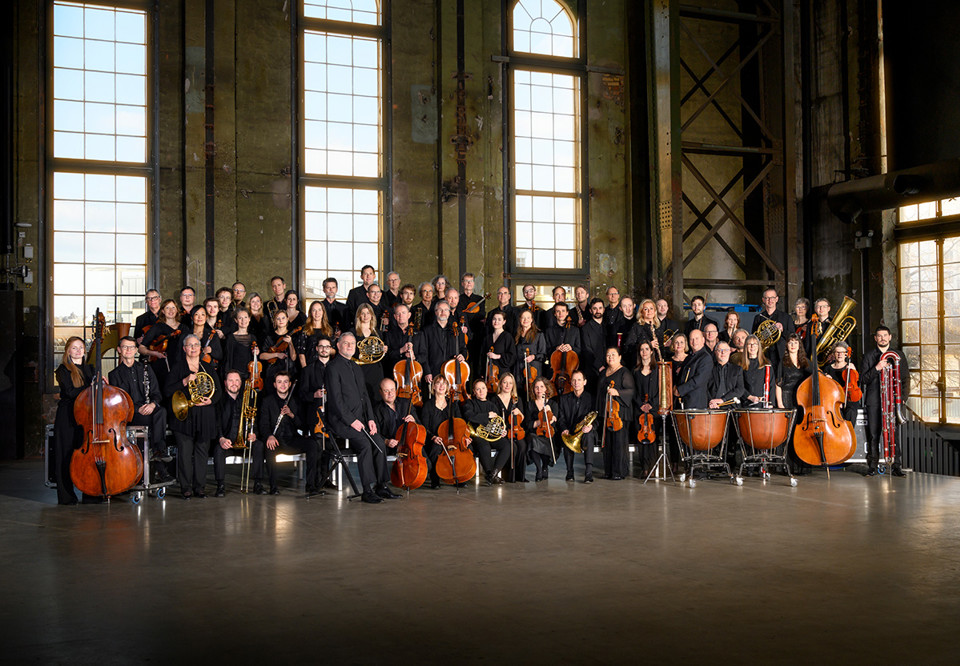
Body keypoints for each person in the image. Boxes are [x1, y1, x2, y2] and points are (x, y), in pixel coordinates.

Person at [325, 332, 400, 503]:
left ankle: (381, 486)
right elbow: (336, 401)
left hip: (361, 421)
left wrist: (371, 419)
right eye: (346, 343)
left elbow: (365, 397)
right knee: (366, 445)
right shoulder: (332, 367)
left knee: (380, 443)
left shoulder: (356, 367)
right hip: (342, 422)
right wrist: (351, 421)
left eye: (352, 343)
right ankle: (367, 490)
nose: (350, 346)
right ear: (338, 345)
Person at [165, 334, 223, 499]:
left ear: (200, 348)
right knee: (184, 453)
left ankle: (200, 487)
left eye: (196, 345)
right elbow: (167, 391)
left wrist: (210, 400)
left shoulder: (208, 368)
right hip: (184, 417)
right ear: (184, 349)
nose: (193, 348)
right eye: (189, 345)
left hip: (205, 416)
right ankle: (186, 488)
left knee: (201, 453)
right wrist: (184, 381)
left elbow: (218, 391)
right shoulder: (177, 368)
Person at [108, 336, 170, 482]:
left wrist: (153, 404)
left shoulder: (146, 369)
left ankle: (158, 451)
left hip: (149, 410)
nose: (128, 350)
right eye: (124, 347)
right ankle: (159, 468)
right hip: (131, 414)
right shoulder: (114, 375)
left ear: (136, 350)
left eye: (131, 347)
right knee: (155, 420)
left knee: (161, 411)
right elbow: (119, 401)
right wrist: (138, 409)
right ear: (119, 350)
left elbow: (156, 393)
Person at [256, 371, 320, 495]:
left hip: (291, 439)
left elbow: (302, 424)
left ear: (290, 384)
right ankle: (273, 487)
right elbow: (263, 424)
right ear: (275, 385)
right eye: (279, 382)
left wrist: (291, 414)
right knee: (269, 448)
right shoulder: (267, 401)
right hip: (276, 439)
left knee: (312, 444)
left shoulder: (295, 401)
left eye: (285, 382)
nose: (283, 385)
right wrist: (269, 436)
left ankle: (311, 485)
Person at [860, 325, 909, 477]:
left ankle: (896, 466)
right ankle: (872, 466)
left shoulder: (898, 355)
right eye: (879, 336)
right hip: (874, 400)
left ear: (890, 337)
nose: (882, 338)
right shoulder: (868, 356)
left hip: (893, 401)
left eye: (885, 335)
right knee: (874, 435)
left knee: (894, 434)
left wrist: (901, 400)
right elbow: (863, 379)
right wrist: (877, 368)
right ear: (875, 338)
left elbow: (905, 379)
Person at [53, 336, 95, 505]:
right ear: (68, 351)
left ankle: (90, 493)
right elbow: (70, 392)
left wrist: (101, 384)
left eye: (81, 347)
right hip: (68, 417)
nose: (78, 351)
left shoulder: (90, 369)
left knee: (86, 456)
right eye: (74, 348)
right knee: (65, 455)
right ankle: (66, 496)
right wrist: (92, 386)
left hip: (86, 416)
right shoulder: (62, 370)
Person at [299, 336, 336, 488]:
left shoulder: (336, 369)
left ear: (330, 349)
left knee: (328, 448)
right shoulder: (308, 370)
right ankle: (312, 482)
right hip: (314, 416)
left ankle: (324, 478)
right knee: (316, 449)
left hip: (332, 415)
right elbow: (301, 394)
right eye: (321, 346)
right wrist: (314, 395)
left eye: (327, 347)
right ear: (316, 349)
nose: (324, 349)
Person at [420, 375, 470, 488]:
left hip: (453, 439)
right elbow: (424, 426)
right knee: (435, 449)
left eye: (444, 384)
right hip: (435, 439)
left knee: (464, 449)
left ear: (447, 387)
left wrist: (465, 437)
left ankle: (460, 476)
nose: (441, 386)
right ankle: (435, 478)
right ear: (433, 386)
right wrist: (433, 437)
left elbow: (461, 424)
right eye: (438, 383)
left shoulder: (453, 404)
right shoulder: (428, 405)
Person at [463, 378, 511, 484]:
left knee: (506, 445)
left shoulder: (492, 405)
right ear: (474, 392)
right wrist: (487, 415)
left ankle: (493, 473)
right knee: (484, 445)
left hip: (491, 435)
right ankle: (489, 473)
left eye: (483, 388)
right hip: (477, 435)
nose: (481, 391)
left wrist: (501, 431)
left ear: (486, 390)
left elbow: (497, 423)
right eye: (478, 389)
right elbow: (469, 416)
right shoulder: (470, 403)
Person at [598, 347, 634, 480]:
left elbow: (631, 391)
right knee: (608, 444)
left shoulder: (624, 372)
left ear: (619, 357)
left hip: (620, 414)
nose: (610, 357)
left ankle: (619, 472)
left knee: (619, 443)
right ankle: (608, 471)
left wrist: (617, 392)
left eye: (613, 354)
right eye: (608, 355)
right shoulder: (603, 373)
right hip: (607, 413)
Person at [213, 370, 249, 496]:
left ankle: (258, 484)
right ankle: (221, 485)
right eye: (231, 380)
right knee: (218, 450)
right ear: (225, 383)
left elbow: (254, 420)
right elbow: (216, 422)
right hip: (226, 442)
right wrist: (221, 438)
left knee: (259, 446)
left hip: (244, 442)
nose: (234, 383)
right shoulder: (219, 401)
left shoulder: (247, 399)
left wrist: (253, 433)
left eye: (237, 380)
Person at [556, 370, 596, 482]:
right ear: (571, 383)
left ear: (585, 382)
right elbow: (561, 418)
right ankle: (569, 472)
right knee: (567, 438)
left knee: (589, 436)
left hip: (585, 431)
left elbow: (597, 417)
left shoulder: (591, 398)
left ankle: (588, 473)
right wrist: (564, 429)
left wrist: (591, 426)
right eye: (574, 380)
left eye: (579, 380)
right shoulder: (564, 399)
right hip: (570, 430)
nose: (576, 382)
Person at [422, 301, 468, 389]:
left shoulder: (457, 330)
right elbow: (424, 353)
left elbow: (463, 349)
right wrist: (427, 372)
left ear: (449, 312)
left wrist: (463, 356)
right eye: (440, 310)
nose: (443, 313)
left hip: (452, 372)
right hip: (434, 372)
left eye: (446, 310)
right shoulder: (427, 330)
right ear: (436, 312)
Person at [138, 298, 183, 389]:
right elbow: (141, 348)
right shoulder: (156, 328)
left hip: (179, 366)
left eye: (173, 308)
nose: (171, 310)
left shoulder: (184, 328)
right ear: (162, 311)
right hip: (161, 367)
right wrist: (154, 353)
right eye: (167, 308)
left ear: (177, 310)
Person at [493, 373, 527, 482]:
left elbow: (522, 418)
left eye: (510, 383)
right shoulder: (494, 399)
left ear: (513, 385)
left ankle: (520, 476)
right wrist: (500, 431)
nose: (507, 385)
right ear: (500, 384)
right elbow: (493, 420)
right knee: (513, 447)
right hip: (501, 432)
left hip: (515, 430)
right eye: (505, 382)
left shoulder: (517, 400)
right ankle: (509, 476)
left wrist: (520, 413)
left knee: (522, 446)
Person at [542, 302, 581, 393]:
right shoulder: (549, 331)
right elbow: (546, 350)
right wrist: (555, 349)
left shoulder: (575, 330)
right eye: (558, 311)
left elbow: (579, 350)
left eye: (563, 311)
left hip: (569, 371)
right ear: (555, 314)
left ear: (567, 313)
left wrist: (571, 348)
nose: (561, 314)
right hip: (554, 373)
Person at [633, 341, 659, 475]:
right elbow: (634, 392)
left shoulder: (657, 370)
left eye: (647, 349)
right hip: (639, 409)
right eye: (642, 349)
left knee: (653, 438)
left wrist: (651, 405)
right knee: (641, 439)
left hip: (653, 409)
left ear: (651, 351)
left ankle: (653, 466)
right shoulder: (636, 371)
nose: (644, 352)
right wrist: (641, 405)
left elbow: (661, 390)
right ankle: (644, 467)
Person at [753, 287, 795, 369]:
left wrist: (782, 330)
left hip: (781, 355)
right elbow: (755, 337)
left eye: (772, 297)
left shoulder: (786, 317)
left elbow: (793, 337)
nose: (770, 300)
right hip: (764, 354)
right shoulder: (758, 318)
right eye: (767, 298)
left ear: (776, 299)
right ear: (763, 300)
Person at [526, 376, 558, 481]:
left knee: (547, 438)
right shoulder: (530, 405)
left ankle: (545, 466)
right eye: (536, 387)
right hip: (535, 433)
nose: (539, 389)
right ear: (533, 390)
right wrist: (540, 420)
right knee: (533, 439)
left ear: (546, 389)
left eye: (541, 387)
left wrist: (550, 414)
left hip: (549, 433)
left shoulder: (553, 404)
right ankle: (539, 469)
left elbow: (554, 422)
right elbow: (528, 424)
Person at [353, 302, 387, 400]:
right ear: (359, 315)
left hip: (375, 370)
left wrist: (383, 350)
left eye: (368, 313)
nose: (365, 316)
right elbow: (353, 352)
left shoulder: (377, 332)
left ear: (372, 315)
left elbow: (379, 351)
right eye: (363, 313)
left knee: (376, 397)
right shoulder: (353, 332)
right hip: (361, 369)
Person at [675, 329, 713, 409]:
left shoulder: (706, 358)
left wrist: (680, 390)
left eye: (696, 338)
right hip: (685, 402)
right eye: (691, 339)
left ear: (703, 340)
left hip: (696, 404)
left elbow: (698, 380)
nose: (694, 341)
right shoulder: (689, 357)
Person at [823, 341, 861, 421]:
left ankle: (849, 432)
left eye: (842, 352)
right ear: (833, 354)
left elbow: (857, 383)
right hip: (833, 400)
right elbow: (826, 390)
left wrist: (854, 371)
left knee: (850, 412)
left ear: (846, 354)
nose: (840, 354)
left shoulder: (850, 367)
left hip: (849, 398)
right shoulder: (827, 369)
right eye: (837, 352)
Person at [515, 309, 546, 399]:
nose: (525, 320)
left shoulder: (539, 334)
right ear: (520, 319)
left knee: (533, 394)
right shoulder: (517, 335)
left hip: (533, 370)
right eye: (523, 318)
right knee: (520, 394)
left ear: (532, 320)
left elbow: (543, 355)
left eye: (528, 317)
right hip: (518, 369)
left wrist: (534, 356)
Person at [579, 298, 608, 392]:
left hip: (609, 368)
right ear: (590, 310)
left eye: (600, 308)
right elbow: (587, 350)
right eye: (595, 308)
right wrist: (599, 366)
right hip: (593, 370)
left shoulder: (608, 326)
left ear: (604, 309)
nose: (598, 311)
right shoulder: (585, 328)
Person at [483, 311, 516, 391]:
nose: (496, 321)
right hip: (488, 374)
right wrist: (482, 373)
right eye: (494, 319)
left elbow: (512, 356)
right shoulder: (487, 338)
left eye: (499, 319)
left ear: (504, 322)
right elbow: (481, 356)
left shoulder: (507, 337)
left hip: (502, 373)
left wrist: (497, 356)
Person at [222, 308, 257, 381]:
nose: (243, 320)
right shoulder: (230, 338)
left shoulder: (253, 338)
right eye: (240, 318)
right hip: (235, 376)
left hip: (250, 375)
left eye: (245, 317)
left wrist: (256, 353)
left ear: (249, 319)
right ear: (236, 320)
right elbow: (228, 359)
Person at [738, 334, 773, 407]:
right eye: (749, 344)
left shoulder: (766, 363)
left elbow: (771, 384)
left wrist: (770, 403)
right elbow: (739, 385)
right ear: (746, 347)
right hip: (746, 403)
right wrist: (749, 397)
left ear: (758, 346)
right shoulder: (741, 365)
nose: (752, 346)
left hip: (763, 404)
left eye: (755, 344)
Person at [708, 341, 744, 409]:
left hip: (732, 407)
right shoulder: (709, 369)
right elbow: (704, 388)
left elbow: (740, 389)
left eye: (726, 350)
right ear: (715, 352)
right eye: (720, 350)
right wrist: (711, 402)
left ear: (730, 352)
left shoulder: (737, 369)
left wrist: (723, 399)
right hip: (713, 407)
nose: (723, 352)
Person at [298, 300, 334, 368]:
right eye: (314, 310)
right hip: (309, 366)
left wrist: (325, 349)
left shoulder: (329, 330)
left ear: (323, 312)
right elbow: (301, 353)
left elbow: (334, 351)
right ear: (310, 312)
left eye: (319, 310)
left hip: (326, 366)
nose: (317, 313)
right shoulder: (305, 329)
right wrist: (306, 370)